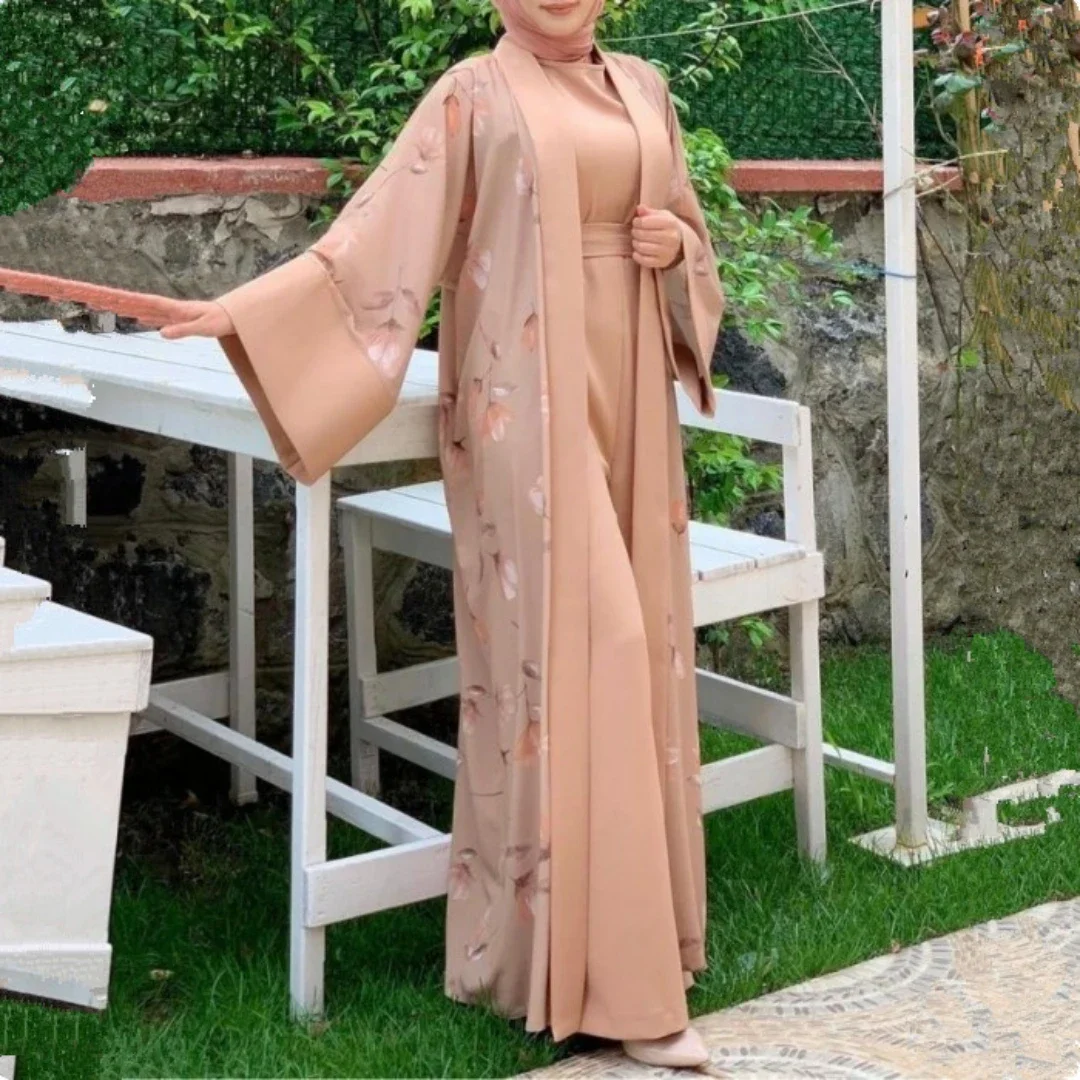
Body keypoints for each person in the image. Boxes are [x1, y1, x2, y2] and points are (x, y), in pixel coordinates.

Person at [161, 0, 725, 1067]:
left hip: (632, 401)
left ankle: (596, 948)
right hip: (528, 411)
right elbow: (376, 242)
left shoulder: (645, 89)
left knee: (631, 650)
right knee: (593, 647)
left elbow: (692, 239)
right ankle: (628, 993)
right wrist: (249, 315)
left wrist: (679, 245)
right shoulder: (473, 93)